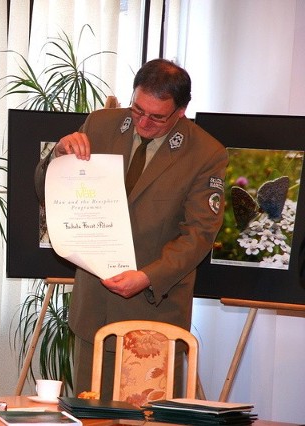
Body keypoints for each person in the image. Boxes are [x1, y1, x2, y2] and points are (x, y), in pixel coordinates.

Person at [34, 59, 228, 398]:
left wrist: (148, 276)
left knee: (146, 420)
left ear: (181, 111)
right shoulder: (100, 124)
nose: (143, 121)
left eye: (157, 116)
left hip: (154, 313)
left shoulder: (206, 153)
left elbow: (198, 234)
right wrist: (57, 157)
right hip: (93, 308)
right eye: (137, 109)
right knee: (90, 415)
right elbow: (47, 193)